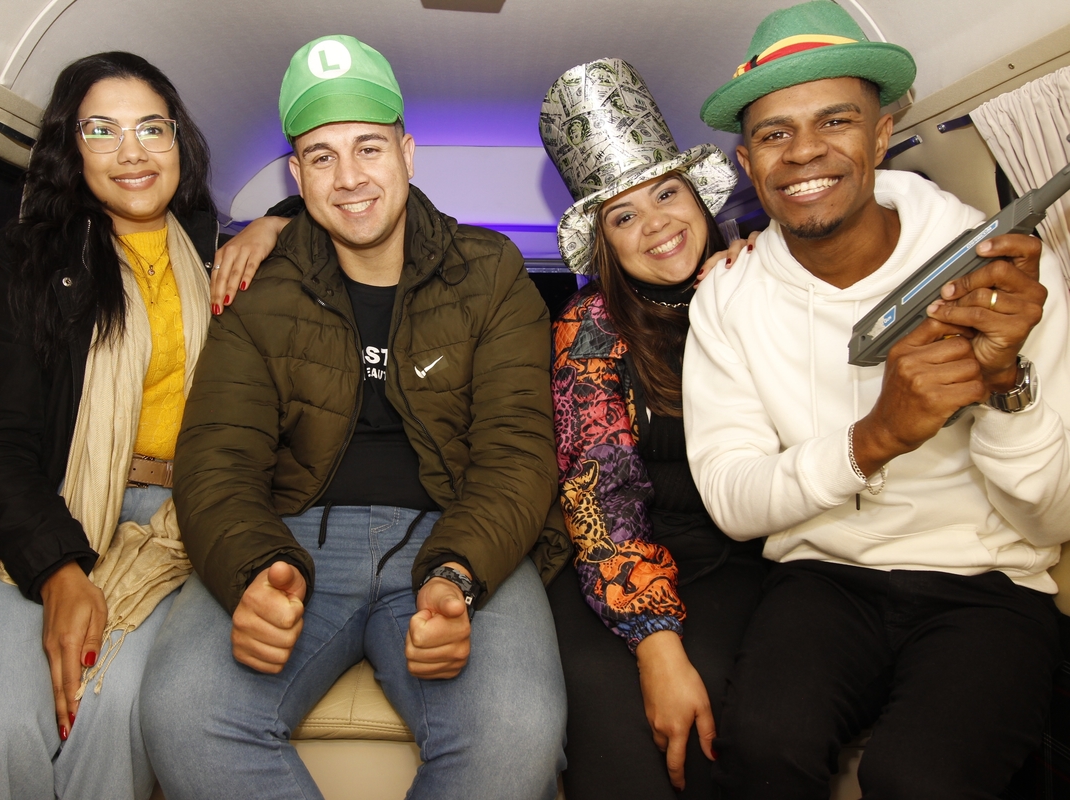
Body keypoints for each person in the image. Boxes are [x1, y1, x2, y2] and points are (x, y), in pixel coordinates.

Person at [139, 35, 568, 800]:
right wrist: (251, 568)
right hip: (292, 535)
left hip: (454, 532)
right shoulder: (259, 285)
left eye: (368, 147)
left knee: (516, 734)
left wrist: (458, 575)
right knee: (183, 714)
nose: (349, 178)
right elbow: (217, 456)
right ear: (297, 176)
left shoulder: (491, 271)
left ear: (407, 153)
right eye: (322, 156)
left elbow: (518, 451)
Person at [0, 51, 280, 800]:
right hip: (19, 512)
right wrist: (60, 571)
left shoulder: (211, 252)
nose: (132, 152)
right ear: (71, 146)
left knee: (116, 712)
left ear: (179, 141)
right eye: (102, 130)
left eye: (151, 128)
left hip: (173, 526)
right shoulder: (27, 258)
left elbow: (366, 200)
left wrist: (274, 224)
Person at [686, 2, 1070, 797]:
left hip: (990, 585)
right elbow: (731, 498)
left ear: (883, 134)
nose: (805, 152)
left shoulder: (1002, 274)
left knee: (919, 778)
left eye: (836, 120)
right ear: (748, 163)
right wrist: (874, 438)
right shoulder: (727, 297)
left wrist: (1006, 388)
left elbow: (1055, 522)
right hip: (824, 577)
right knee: (759, 747)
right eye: (775, 133)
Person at [538, 58, 759, 799]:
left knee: (720, 712)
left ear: (698, 197)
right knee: (615, 719)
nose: (656, 223)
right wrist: (656, 643)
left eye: (666, 193)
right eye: (623, 215)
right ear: (605, 243)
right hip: (613, 566)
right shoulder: (590, 324)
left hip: (736, 560)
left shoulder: (758, 286)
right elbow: (599, 494)